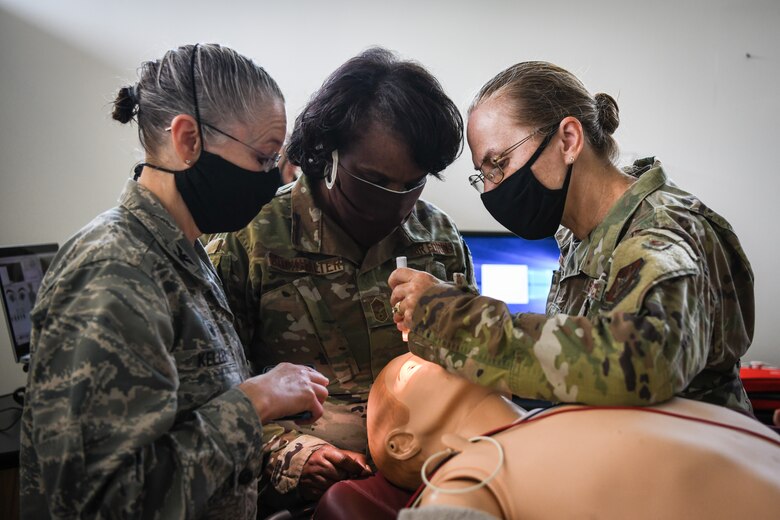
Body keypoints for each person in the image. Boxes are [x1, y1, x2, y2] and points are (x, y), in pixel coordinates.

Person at [20, 44, 329, 519]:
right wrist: (255, 401)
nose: (272, 180)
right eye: (265, 158)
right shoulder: (113, 272)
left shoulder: (184, 254)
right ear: (187, 140)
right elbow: (101, 503)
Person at [389, 61, 755, 413]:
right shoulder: (579, 240)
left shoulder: (663, 231)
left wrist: (451, 318)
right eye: (481, 175)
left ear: (568, 139)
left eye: (498, 164)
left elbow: (646, 362)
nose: (490, 189)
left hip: (693, 469)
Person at [205, 47, 474, 510]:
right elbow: (213, 398)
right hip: (295, 492)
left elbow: (467, 372)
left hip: (427, 483)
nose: (396, 202)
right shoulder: (250, 237)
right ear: (326, 156)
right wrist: (290, 456)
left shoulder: (438, 238)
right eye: (374, 180)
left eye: (412, 184)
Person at [327, 353, 779, 520]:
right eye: (413, 363)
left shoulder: (568, 409)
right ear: (403, 443)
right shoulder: (469, 479)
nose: (429, 349)